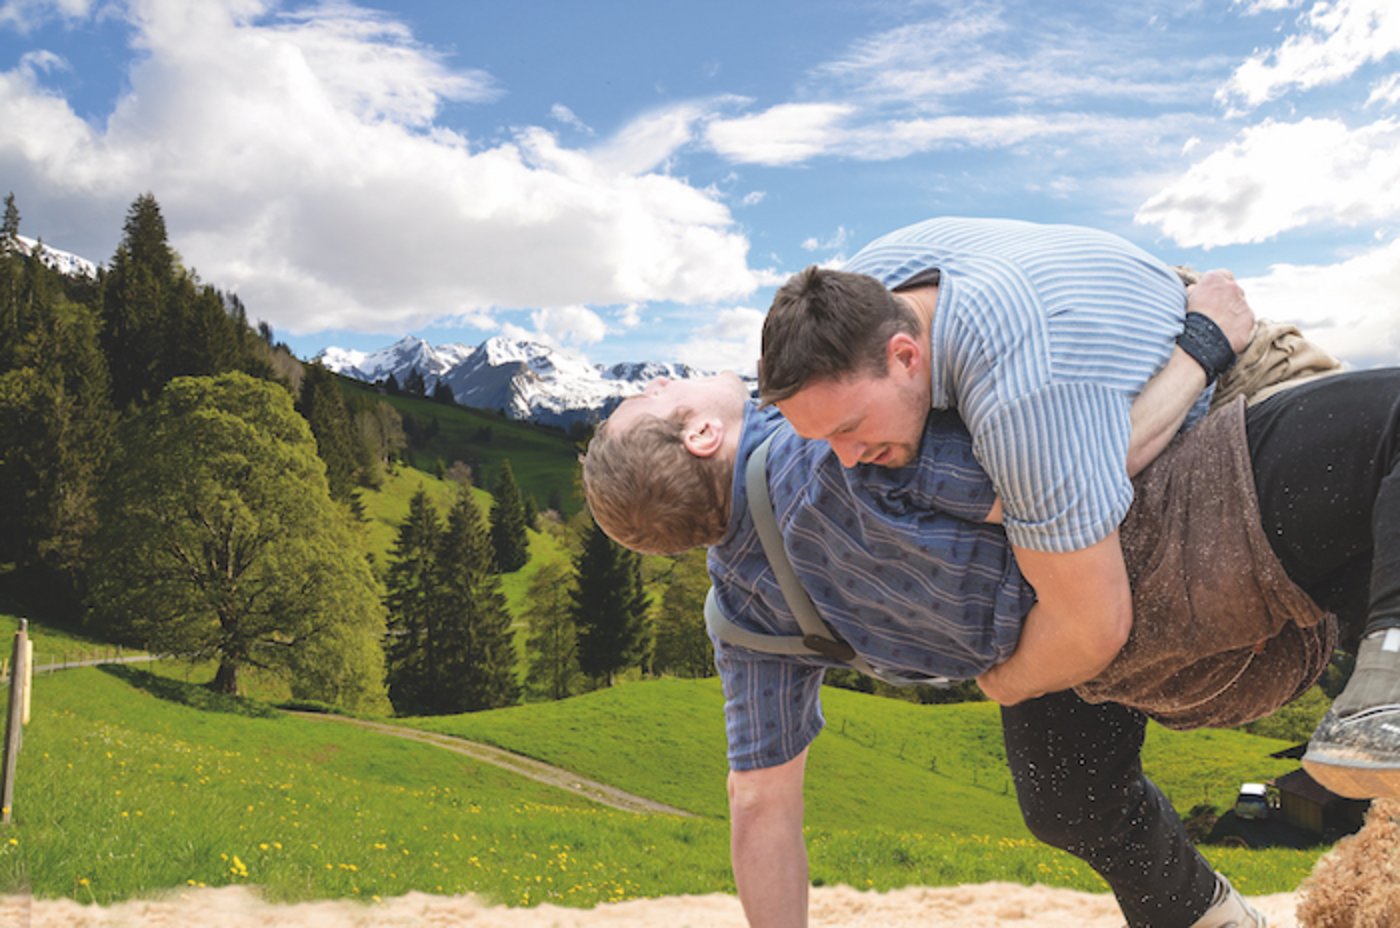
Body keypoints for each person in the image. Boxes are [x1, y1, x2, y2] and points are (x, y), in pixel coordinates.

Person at [582, 365, 1400, 928]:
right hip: (1183, 545)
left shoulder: (744, 619)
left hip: (1104, 676)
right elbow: (1069, 479)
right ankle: (1388, 683)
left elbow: (759, 804)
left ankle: (1199, 913)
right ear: (697, 434)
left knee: (1074, 800)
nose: (659, 379)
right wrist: (1204, 345)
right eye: (650, 396)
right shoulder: (841, 438)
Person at [755, 217, 1398, 799]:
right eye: (820, 439)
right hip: (1111, 342)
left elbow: (1084, 518)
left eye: (850, 427)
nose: (845, 458)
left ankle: (1384, 698)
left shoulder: (1020, 390)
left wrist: (1203, 348)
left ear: (905, 354)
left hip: (1240, 374)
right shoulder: (863, 290)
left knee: (1358, 547)